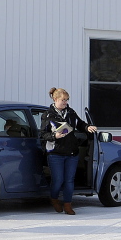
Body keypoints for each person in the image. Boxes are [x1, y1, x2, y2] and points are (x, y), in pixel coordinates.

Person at [39, 87, 96, 215]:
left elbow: (80, 123)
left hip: (71, 153)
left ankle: (68, 204)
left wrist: (87, 127)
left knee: (69, 180)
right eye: (63, 100)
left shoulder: (70, 112)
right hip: (55, 153)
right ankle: (54, 200)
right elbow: (43, 134)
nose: (65, 102)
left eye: (67, 100)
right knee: (58, 180)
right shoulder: (48, 115)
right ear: (55, 99)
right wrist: (55, 136)